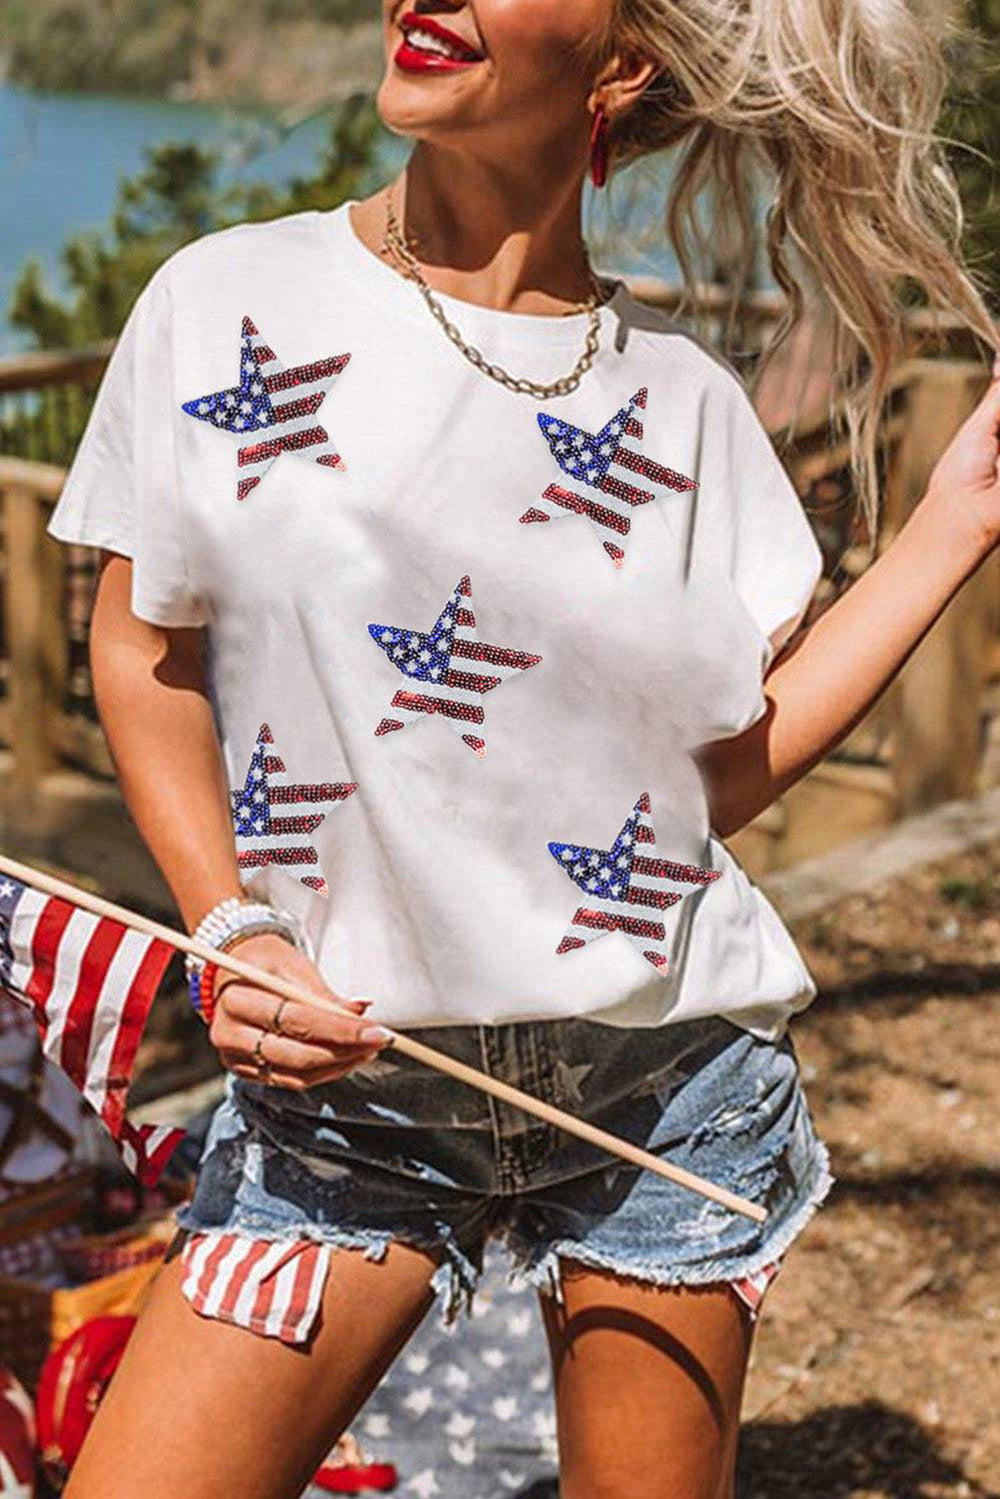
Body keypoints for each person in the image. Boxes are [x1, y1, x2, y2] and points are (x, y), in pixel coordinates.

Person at [46, 2, 999, 1496]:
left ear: (622, 63)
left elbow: (718, 780)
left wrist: (962, 517)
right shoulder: (225, 302)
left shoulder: (685, 408)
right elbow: (143, 650)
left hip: (663, 1089)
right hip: (349, 1103)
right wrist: (226, 919)